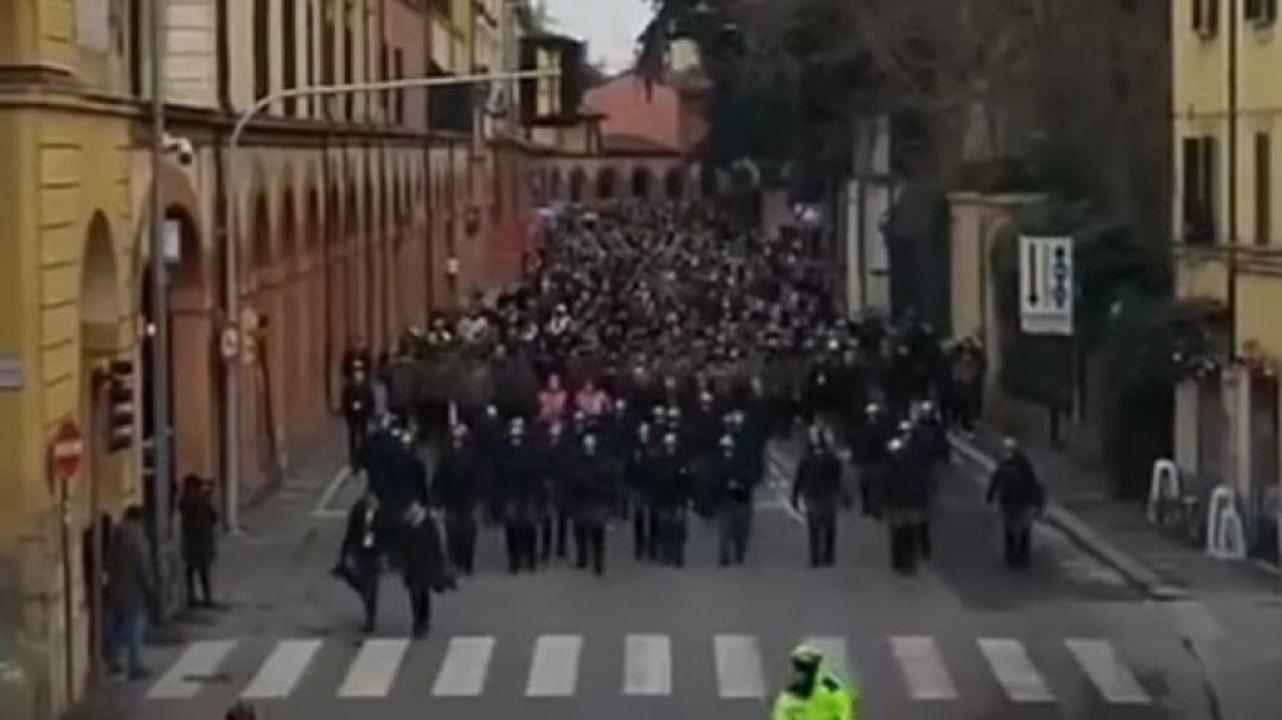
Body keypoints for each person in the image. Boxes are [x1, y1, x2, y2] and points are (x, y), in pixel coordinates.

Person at [105, 504, 155, 679]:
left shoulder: (115, 534)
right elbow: (143, 565)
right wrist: (149, 587)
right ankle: (135, 666)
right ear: (140, 519)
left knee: (114, 627)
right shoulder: (137, 537)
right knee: (134, 628)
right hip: (133, 591)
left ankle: (114, 662)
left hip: (114, 588)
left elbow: (108, 560)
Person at [986, 437, 1045, 568]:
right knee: (1023, 528)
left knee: (1010, 528)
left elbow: (995, 479)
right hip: (1022, 501)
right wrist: (1037, 502)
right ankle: (1022, 556)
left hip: (1008, 502)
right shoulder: (1024, 463)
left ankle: (1011, 556)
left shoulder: (1003, 463)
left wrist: (989, 496)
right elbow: (1032, 482)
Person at [792, 427, 847, 567]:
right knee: (829, 527)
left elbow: (799, 479)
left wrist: (795, 496)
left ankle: (815, 557)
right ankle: (827, 556)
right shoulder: (832, 459)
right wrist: (844, 495)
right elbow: (839, 478)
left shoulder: (807, 460)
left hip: (813, 494)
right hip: (827, 494)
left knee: (814, 527)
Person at [335, 490, 383, 632]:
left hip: (374, 551)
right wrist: (344, 552)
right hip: (360, 550)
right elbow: (350, 531)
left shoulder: (380, 514)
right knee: (357, 577)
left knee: (372, 584)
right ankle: (363, 591)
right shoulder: (358, 510)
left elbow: (387, 533)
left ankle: (370, 619)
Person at [770, 644, 860, 720]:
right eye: (798, 667)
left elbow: (844, 712)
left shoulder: (831, 688)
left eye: (805, 667)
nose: (801, 674)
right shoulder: (787, 697)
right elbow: (781, 715)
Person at [179, 475, 218, 608]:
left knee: (190, 571)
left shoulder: (185, 500)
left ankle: (191, 597)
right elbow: (214, 517)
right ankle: (206, 598)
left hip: (191, 540)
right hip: (201, 540)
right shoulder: (202, 500)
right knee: (202, 571)